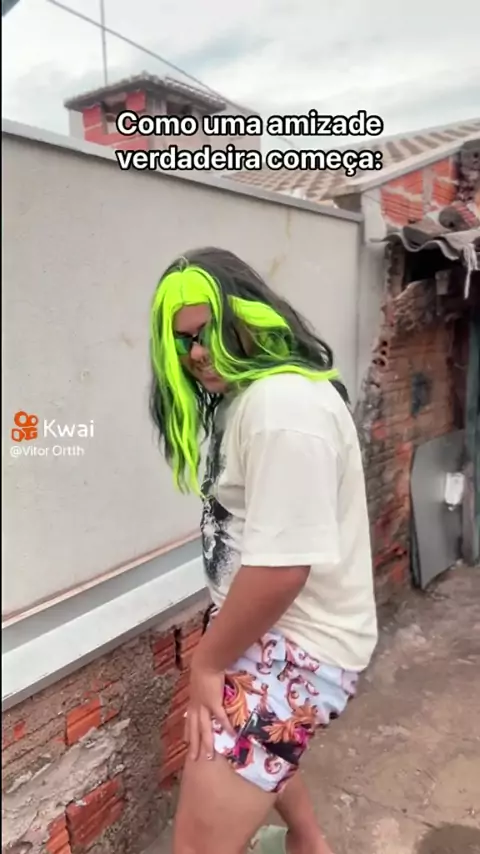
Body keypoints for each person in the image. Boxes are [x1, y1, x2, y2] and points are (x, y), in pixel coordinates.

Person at [149, 247, 378, 854]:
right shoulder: (250, 397)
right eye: (183, 341)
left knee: (195, 848)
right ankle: (308, 840)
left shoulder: (282, 408)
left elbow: (280, 572)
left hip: (297, 648)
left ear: (251, 316)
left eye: (208, 331)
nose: (197, 353)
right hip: (262, 632)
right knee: (253, 756)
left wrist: (207, 663)